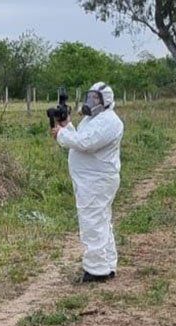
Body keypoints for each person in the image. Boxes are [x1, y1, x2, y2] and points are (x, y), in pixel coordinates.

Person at [53, 82, 124, 283]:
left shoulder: (109, 121)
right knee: (101, 220)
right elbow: (79, 137)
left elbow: (85, 143)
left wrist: (60, 134)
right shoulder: (93, 119)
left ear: (105, 101)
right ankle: (106, 264)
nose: (90, 101)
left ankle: (96, 270)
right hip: (91, 180)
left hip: (97, 180)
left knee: (92, 221)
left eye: (95, 99)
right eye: (89, 97)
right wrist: (67, 126)